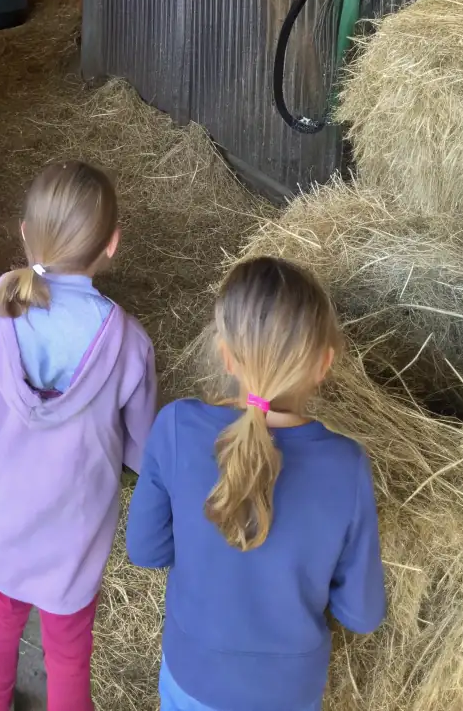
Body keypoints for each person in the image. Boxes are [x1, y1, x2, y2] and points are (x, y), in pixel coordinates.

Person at [0, 161, 158, 711]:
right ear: (113, 244)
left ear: (22, 232)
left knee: (2, 611)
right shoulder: (129, 342)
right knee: (68, 649)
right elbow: (141, 450)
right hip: (72, 535)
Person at [126, 257, 386, 711]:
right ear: (324, 363)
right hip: (287, 691)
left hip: (192, 675)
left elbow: (146, 550)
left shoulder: (174, 428)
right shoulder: (347, 466)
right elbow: (361, 614)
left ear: (225, 353)